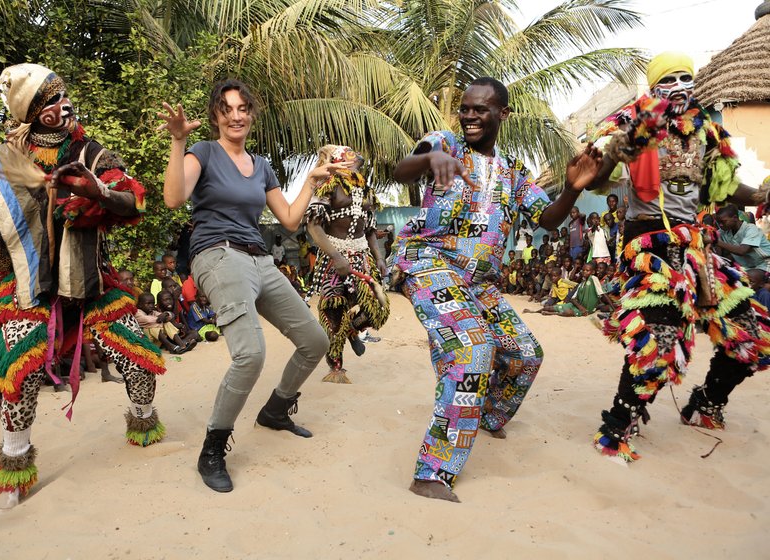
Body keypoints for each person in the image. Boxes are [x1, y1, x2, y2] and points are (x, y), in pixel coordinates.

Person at [0, 63, 166, 504]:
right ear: (34, 113)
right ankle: (15, 467)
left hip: (92, 284)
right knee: (20, 374)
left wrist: (95, 192)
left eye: (64, 94)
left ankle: (144, 422)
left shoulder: (92, 151)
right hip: (28, 290)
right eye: (52, 100)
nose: (65, 104)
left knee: (139, 355)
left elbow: (129, 198)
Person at [390, 76, 601, 502]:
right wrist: (432, 162)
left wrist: (575, 189)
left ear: (502, 114)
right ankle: (431, 472)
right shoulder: (444, 143)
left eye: (480, 109)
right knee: (472, 349)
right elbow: (402, 168)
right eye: (466, 108)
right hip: (431, 263)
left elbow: (547, 220)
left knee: (525, 355)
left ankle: (482, 415)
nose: (469, 116)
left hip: (479, 283)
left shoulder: (512, 173)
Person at [158, 78, 339, 493]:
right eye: (227, 109)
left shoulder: (261, 166)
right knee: (250, 354)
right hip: (218, 255)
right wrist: (177, 143)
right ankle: (213, 449)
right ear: (216, 116)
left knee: (315, 341)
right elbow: (173, 198)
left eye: (243, 108)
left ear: (251, 115)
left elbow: (290, 220)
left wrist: (312, 180)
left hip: (259, 258)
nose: (236, 115)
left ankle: (275, 410)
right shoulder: (202, 152)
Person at [587, 52, 770, 461]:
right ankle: (619, 425)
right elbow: (595, 178)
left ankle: (706, 403)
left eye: (687, 77)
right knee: (657, 342)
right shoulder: (629, 128)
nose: (680, 85)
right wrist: (621, 149)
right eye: (669, 79)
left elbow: (726, 187)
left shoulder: (705, 132)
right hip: (650, 247)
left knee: (751, 336)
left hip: (698, 249)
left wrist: (761, 194)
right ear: (653, 89)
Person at [304, 144, 390, 384]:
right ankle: (336, 365)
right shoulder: (327, 187)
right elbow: (313, 225)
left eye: (355, 163)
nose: (353, 166)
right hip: (334, 258)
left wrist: (379, 257)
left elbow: (370, 229)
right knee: (333, 310)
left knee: (377, 309)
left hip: (362, 256)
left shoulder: (366, 191)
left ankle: (351, 330)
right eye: (347, 162)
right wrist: (335, 256)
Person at [715, 203, 770, 273]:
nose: (720, 225)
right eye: (718, 222)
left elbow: (742, 251)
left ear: (735, 218)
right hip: (746, 267)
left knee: (749, 278)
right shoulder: (723, 232)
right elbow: (719, 256)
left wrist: (715, 241)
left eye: (723, 222)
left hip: (765, 263)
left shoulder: (751, 229)